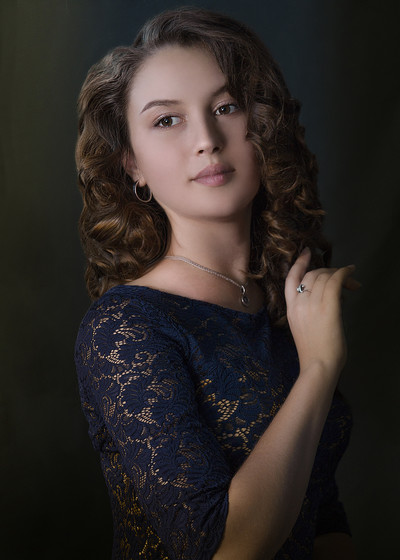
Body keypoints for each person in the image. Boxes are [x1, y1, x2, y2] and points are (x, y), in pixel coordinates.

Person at [74, 7, 359, 560]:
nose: (206, 139)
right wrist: (320, 367)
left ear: (263, 126)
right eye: (167, 120)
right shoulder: (124, 328)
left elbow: (321, 514)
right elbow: (225, 549)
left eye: (226, 108)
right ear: (132, 164)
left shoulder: (285, 303)